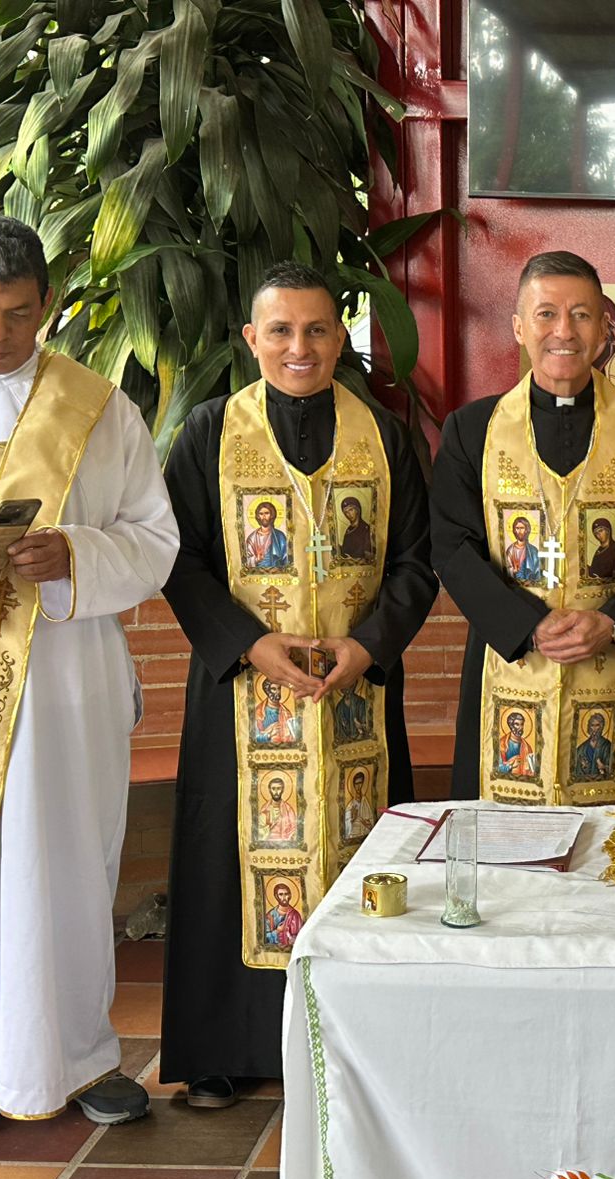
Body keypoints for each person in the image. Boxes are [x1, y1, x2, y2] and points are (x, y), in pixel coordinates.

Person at [0, 214, 178, 1143]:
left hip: (67, 687)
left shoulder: (100, 410)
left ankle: (80, 1055)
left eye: (20, 314)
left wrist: (73, 553)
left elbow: (155, 542)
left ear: (50, 305)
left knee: (71, 864)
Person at [160, 260, 436, 1106]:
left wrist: (369, 646)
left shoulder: (384, 435)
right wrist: (247, 643)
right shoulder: (210, 431)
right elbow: (179, 556)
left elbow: (416, 563)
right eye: (280, 331)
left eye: (317, 329)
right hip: (246, 696)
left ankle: (367, 1039)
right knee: (232, 861)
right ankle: (226, 1050)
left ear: (341, 335)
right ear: (252, 340)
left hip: (355, 692)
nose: (300, 347)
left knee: (360, 848)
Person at [432, 251, 615, 806]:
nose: (563, 331)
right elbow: (450, 545)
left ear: (604, 328)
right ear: (519, 326)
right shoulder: (472, 429)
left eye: (582, 315)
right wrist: (527, 625)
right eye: (545, 314)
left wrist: (613, 620)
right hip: (510, 663)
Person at [242, 500, 290, 569]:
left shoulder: (280, 536)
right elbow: (246, 561)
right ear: (258, 516)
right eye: (261, 514)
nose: (264, 516)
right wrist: (256, 559)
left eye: (267, 513)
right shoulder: (252, 538)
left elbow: (286, 559)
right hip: (257, 574)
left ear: (272, 515)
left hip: (277, 573)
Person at [253, 677, 301, 744]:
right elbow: (254, 737)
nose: (277, 692)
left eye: (279, 688)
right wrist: (270, 734)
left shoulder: (286, 712)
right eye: (274, 689)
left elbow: (294, 735)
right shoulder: (259, 711)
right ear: (267, 691)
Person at [572, 711, 615, 781]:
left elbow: (613, 769)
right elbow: (576, 771)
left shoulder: (607, 745)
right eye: (592, 725)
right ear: (589, 727)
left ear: (601, 727)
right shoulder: (581, 748)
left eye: (597, 725)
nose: (594, 729)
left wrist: (603, 767)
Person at [337, 494, 376, 563]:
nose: (348, 514)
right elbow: (346, 549)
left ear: (357, 510)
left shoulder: (366, 529)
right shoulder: (349, 529)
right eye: (346, 512)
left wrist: (354, 558)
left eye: (351, 510)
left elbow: (368, 553)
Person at [258, 776, 298, 843]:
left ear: (282, 790)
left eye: (279, 788)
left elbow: (294, 828)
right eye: (273, 789)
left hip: (285, 843)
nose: (276, 792)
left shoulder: (288, 809)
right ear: (269, 790)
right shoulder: (265, 808)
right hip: (267, 843)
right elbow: (259, 829)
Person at [263, 883, 304, 948]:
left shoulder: (295, 915)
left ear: (290, 895)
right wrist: (277, 931)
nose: (284, 897)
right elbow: (264, 938)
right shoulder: (270, 915)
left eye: (286, 894)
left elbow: (301, 935)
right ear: (276, 896)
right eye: (281, 894)